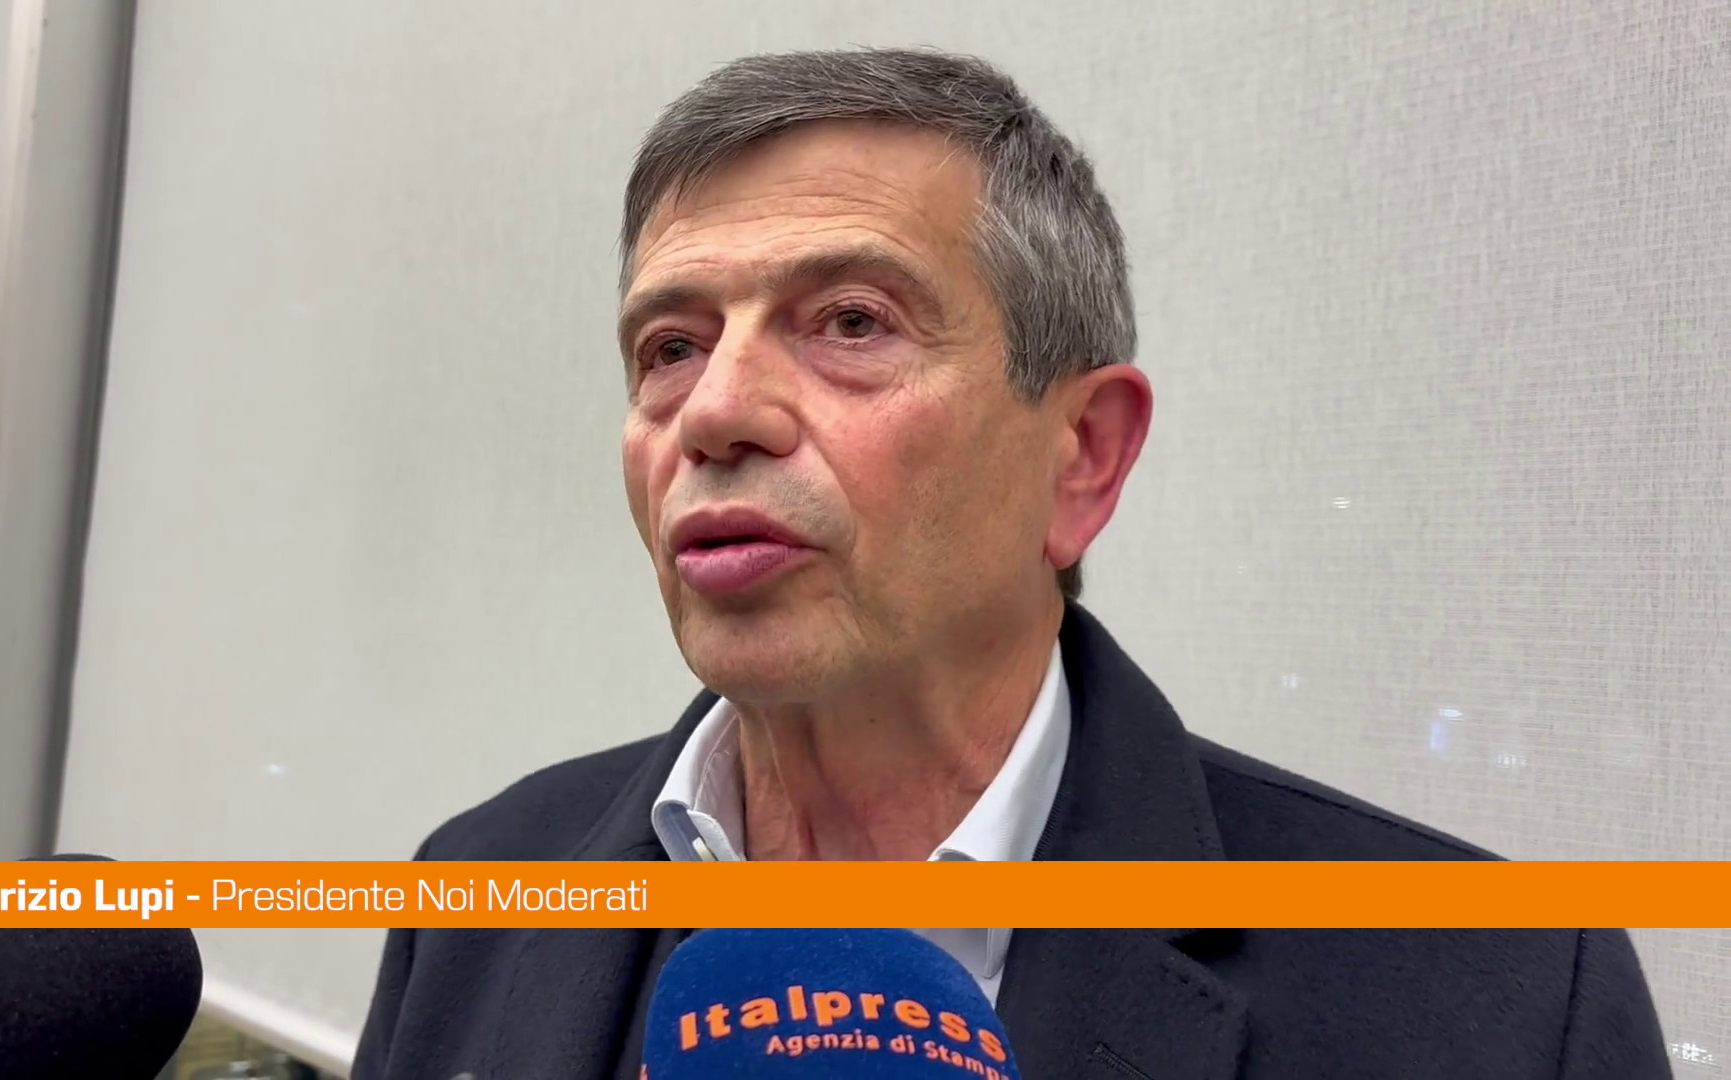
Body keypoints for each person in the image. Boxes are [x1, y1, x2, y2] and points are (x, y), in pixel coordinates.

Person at [352, 48, 1669, 1080]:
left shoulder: (1495, 994)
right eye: (671, 348)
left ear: (1082, 455)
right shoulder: (474, 897)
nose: (716, 412)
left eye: (850, 323)